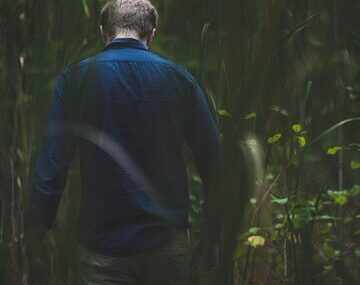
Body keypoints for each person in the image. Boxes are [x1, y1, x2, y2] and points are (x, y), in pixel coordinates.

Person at [25, 0, 221, 284]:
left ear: (103, 32)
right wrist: (212, 237)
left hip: (101, 252)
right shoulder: (181, 81)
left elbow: (52, 167)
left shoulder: (75, 80)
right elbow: (214, 163)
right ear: (151, 35)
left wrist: (35, 238)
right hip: (166, 249)